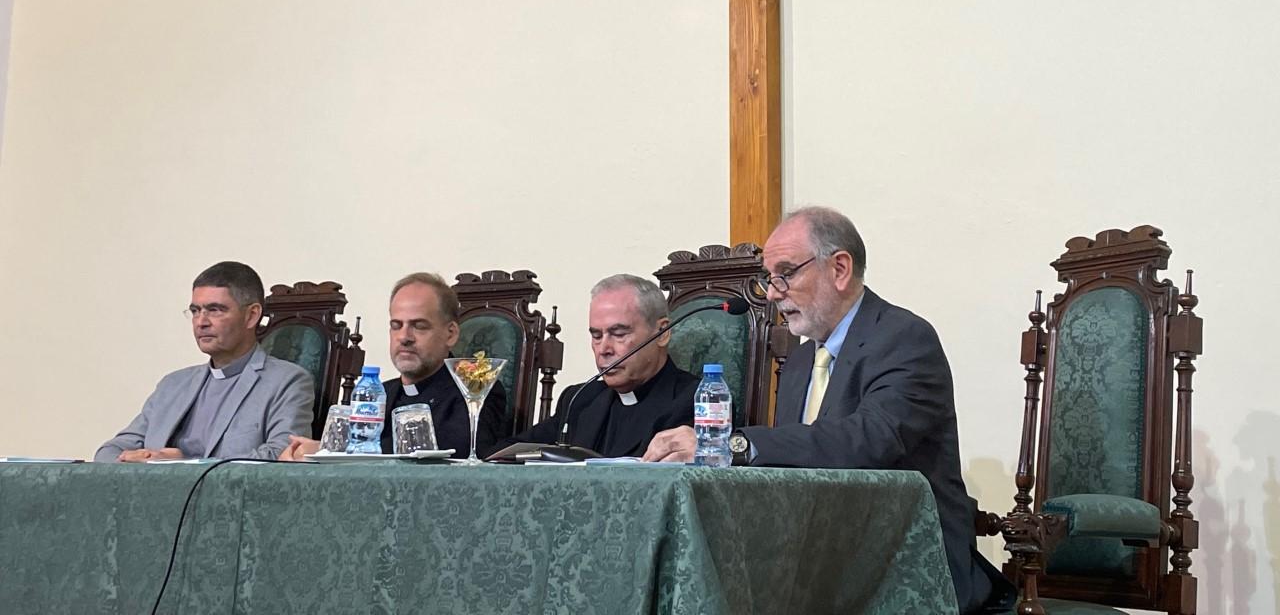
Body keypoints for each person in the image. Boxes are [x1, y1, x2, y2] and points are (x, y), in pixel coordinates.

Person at [643, 207, 1011, 615]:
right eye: (769, 278)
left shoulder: (905, 338)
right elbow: (793, 469)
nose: (772, 292)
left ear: (839, 268)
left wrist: (736, 444)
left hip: (906, 560)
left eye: (786, 273)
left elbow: (868, 440)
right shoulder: (801, 362)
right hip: (817, 561)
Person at [94, 261, 314, 462]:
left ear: (251, 316)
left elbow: (283, 455)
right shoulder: (173, 384)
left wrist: (184, 466)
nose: (201, 322)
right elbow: (108, 452)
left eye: (215, 310)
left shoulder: (287, 381)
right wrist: (130, 460)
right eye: (195, 311)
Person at [280, 272, 506, 459]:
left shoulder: (475, 390)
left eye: (419, 326)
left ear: (451, 334)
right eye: (396, 325)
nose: (404, 337)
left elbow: (456, 447)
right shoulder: (380, 394)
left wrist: (331, 450)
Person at [498, 273, 697, 458]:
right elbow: (507, 453)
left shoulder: (697, 401)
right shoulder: (580, 399)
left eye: (619, 334)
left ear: (662, 333)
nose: (604, 349)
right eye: (596, 336)